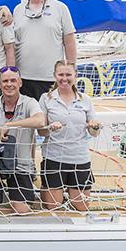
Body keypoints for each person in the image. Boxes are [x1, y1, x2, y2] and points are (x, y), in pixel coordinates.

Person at [0, 66, 45, 214]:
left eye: (13, 80)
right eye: (5, 81)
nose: (9, 84)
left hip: (21, 164)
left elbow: (40, 121)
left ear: (20, 83)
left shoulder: (30, 102)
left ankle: (25, 187)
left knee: (22, 210)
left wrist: (11, 124)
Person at [38, 60, 100, 212]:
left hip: (79, 158)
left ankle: (66, 193)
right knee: (52, 206)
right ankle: (49, 191)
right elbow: (41, 132)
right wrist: (50, 128)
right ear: (54, 76)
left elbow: (94, 133)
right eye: (60, 74)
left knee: (81, 206)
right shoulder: (46, 99)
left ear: (75, 76)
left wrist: (94, 126)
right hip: (53, 157)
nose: (64, 78)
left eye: (68, 75)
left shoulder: (85, 100)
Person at [13, 0, 77, 101]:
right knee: (28, 121)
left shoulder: (60, 8)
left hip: (50, 79)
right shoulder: (18, 10)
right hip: (23, 79)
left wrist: (71, 71)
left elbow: (69, 42)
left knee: (52, 121)